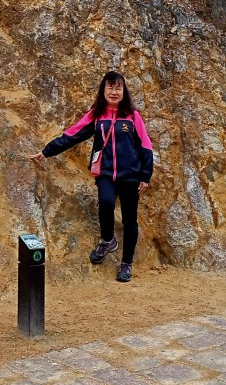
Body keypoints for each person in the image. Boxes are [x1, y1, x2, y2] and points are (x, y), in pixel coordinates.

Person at [28, 70, 154, 282]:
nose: (114, 92)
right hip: (105, 173)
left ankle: (126, 264)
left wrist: (145, 175)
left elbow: (146, 146)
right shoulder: (97, 115)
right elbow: (72, 135)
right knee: (105, 203)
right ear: (103, 90)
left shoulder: (133, 116)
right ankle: (108, 240)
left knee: (130, 219)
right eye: (110, 87)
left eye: (118, 87)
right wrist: (46, 151)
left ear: (124, 91)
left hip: (130, 176)